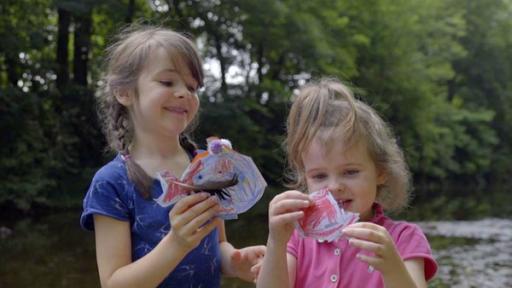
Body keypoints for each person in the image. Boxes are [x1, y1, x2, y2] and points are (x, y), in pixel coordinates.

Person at [80, 25, 265, 288]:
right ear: (124, 92)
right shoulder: (111, 182)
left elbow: (217, 244)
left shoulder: (207, 166)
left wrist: (235, 261)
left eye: (192, 86)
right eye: (167, 82)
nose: (184, 93)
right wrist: (176, 244)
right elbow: (114, 283)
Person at [257, 78, 437, 288]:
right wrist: (275, 243)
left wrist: (392, 268)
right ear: (305, 178)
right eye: (319, 176)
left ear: (381, 171)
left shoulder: (403, 238)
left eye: (350, 172)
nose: (334, 186)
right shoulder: (297, 238)